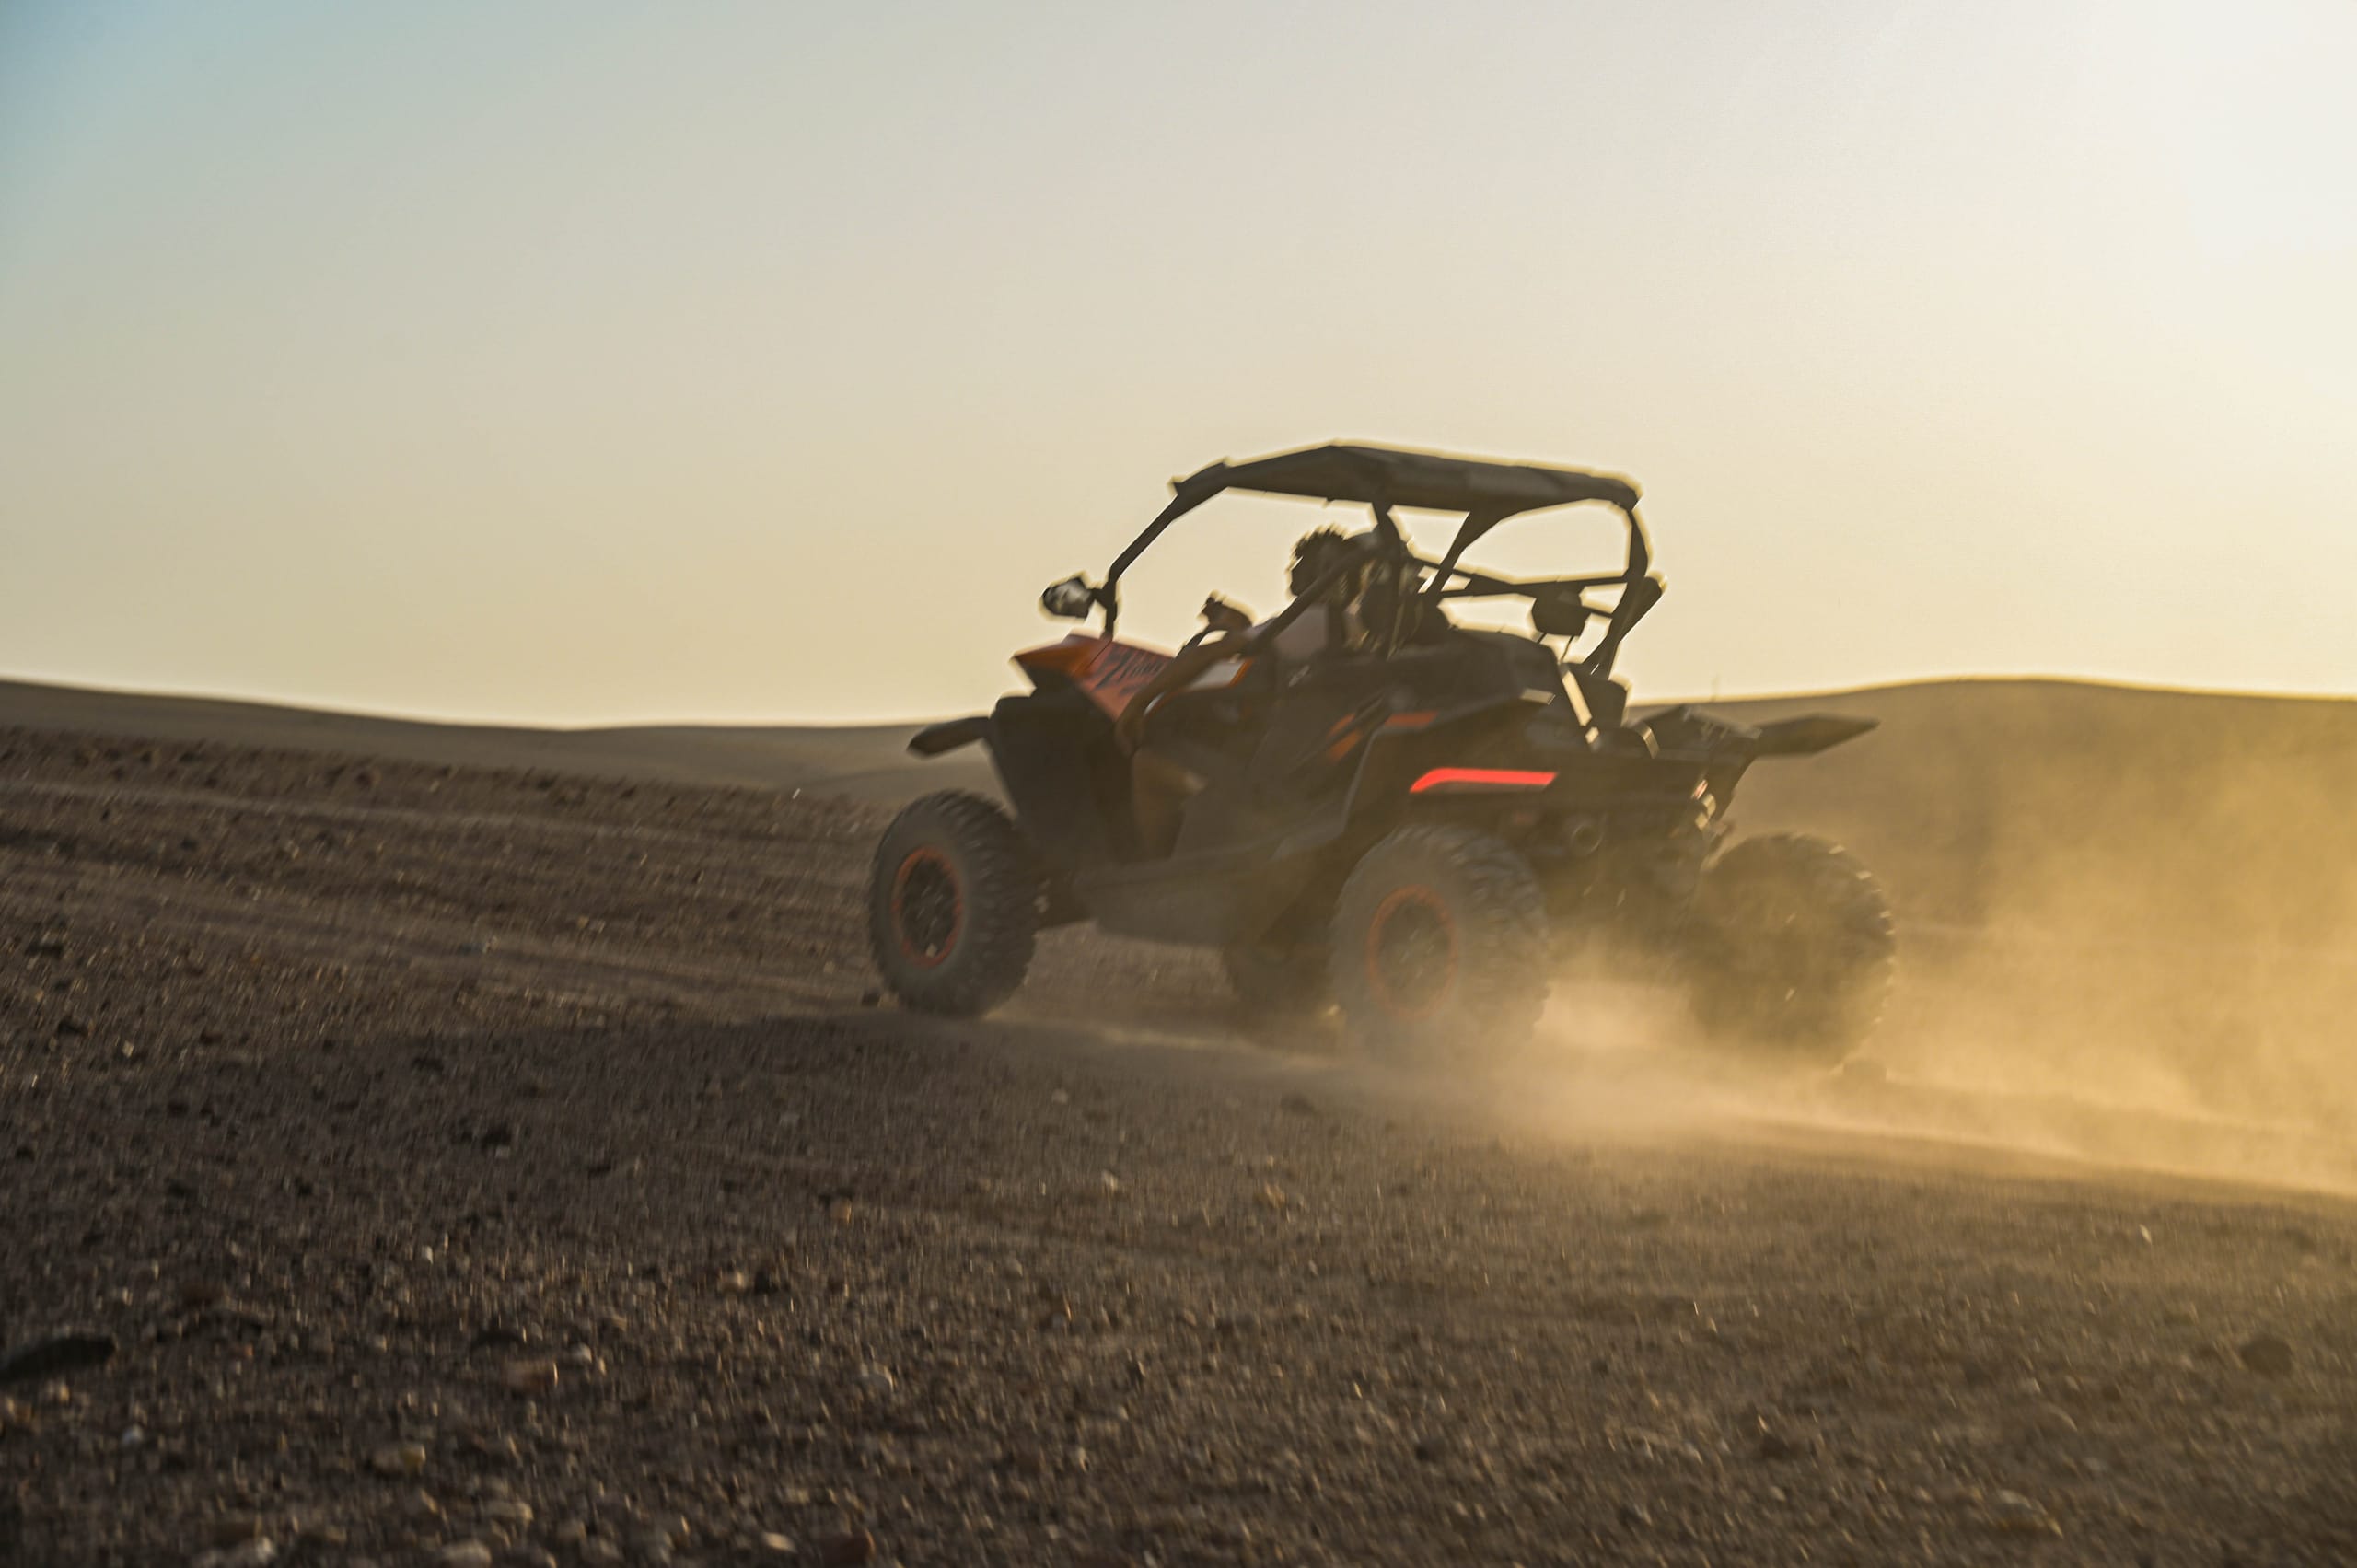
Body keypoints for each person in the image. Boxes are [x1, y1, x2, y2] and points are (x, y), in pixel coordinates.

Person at [1114, 528, 1366, 856]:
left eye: (1300, 564)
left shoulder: (1309, 621)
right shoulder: (1352, 626)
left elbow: (1208, 654)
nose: (1293, 572)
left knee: (1146, 763)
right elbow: (1262, 643)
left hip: (1275, 781)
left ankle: (1154, 874)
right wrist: (1240, 624)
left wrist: (1138, 702)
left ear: (1312, 575)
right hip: (1314, 761)